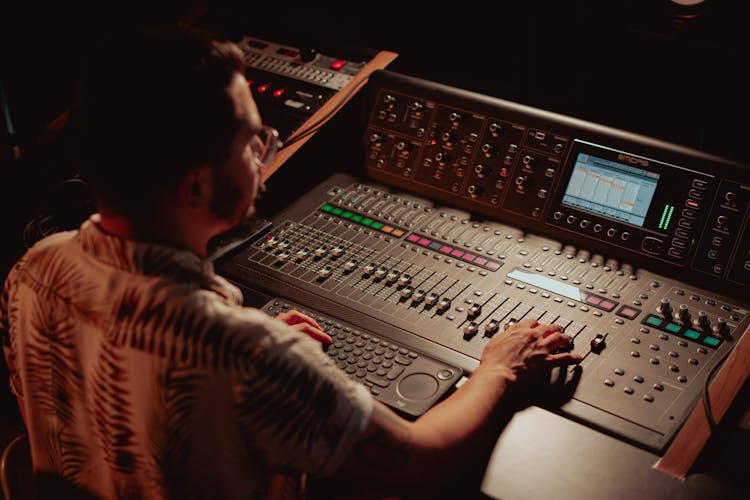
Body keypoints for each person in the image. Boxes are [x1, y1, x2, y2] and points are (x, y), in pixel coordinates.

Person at [0, 24, 582, 499]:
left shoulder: (34, 271)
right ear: (197, 189)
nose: (264, 155)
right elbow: (420, 461)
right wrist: (498, 370)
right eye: (254, 143)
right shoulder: (243, 355)